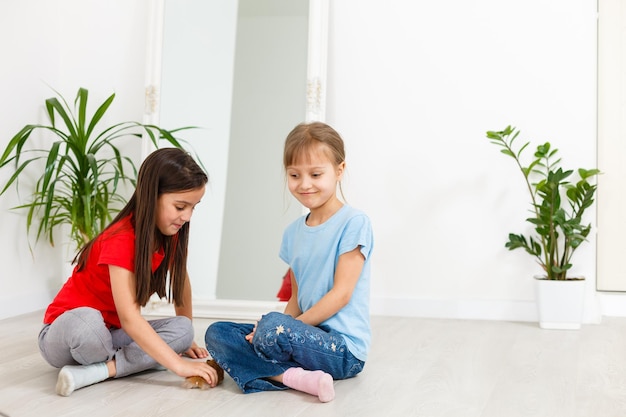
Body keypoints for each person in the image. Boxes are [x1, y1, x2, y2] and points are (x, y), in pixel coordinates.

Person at [205, 121, 374, 402]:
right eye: (295, 175)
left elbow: (342, 294)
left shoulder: (354, 223)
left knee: (272, 327)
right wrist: (280, 329)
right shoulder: (293, 232)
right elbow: (296, 297)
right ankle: (294, 377)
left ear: (339, 170)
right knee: (217, 333)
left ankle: (260, 365)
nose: (304, 184)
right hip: (301, 336)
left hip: (342, 351)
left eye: (316, 174)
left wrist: (281, 330)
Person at [38, 147, 220, 396]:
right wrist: (176, 363)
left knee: (184, 329)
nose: (187, 216)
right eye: (180, 207)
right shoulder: (122, 239)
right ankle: (134, 361)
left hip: (111, 336)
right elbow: (130, 319)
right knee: (89, 323)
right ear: (151, 196)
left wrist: (186, 341)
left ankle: (102, 370)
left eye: (193, 207)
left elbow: (181, 284)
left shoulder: (171, 235)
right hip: (69, 332)